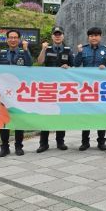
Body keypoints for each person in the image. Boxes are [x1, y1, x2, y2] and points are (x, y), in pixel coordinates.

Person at [74, 27, 106, 150]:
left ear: (100, 37)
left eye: (96, 35)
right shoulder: (83, 49)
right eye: (91, 36)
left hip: (101, 88)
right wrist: (79, 53)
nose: (94, 38)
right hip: (87, 88)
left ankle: (101, 141)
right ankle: (85, 142)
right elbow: (75, 64)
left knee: (101, 114)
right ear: (88, 37)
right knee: (87, 115)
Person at [35, 25, 73, 153]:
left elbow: (74, 67)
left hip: (62, 88)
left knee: (61, 114)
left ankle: (60, 142)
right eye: (55, 34)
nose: (57, 36)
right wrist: (43, 49)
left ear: (63, 36)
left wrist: (68, 67)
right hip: (49, 88)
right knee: (46, 114)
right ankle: (43, 143)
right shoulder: (47, 49)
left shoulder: (68, 50)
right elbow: (40, 62)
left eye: (59, 34)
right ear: (52, 36)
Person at [0, 29, 32, 157]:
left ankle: (18, 146)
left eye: (15, 37)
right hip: (4, 93)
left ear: (19, 39)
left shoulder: (23, 52)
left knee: (18, 119)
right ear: (7, 40)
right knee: (3, 119)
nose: (13, 39)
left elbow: (30, 65)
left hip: (19, 92)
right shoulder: (2, 54)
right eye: (10, 37)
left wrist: (26, 50)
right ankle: (4, 147)